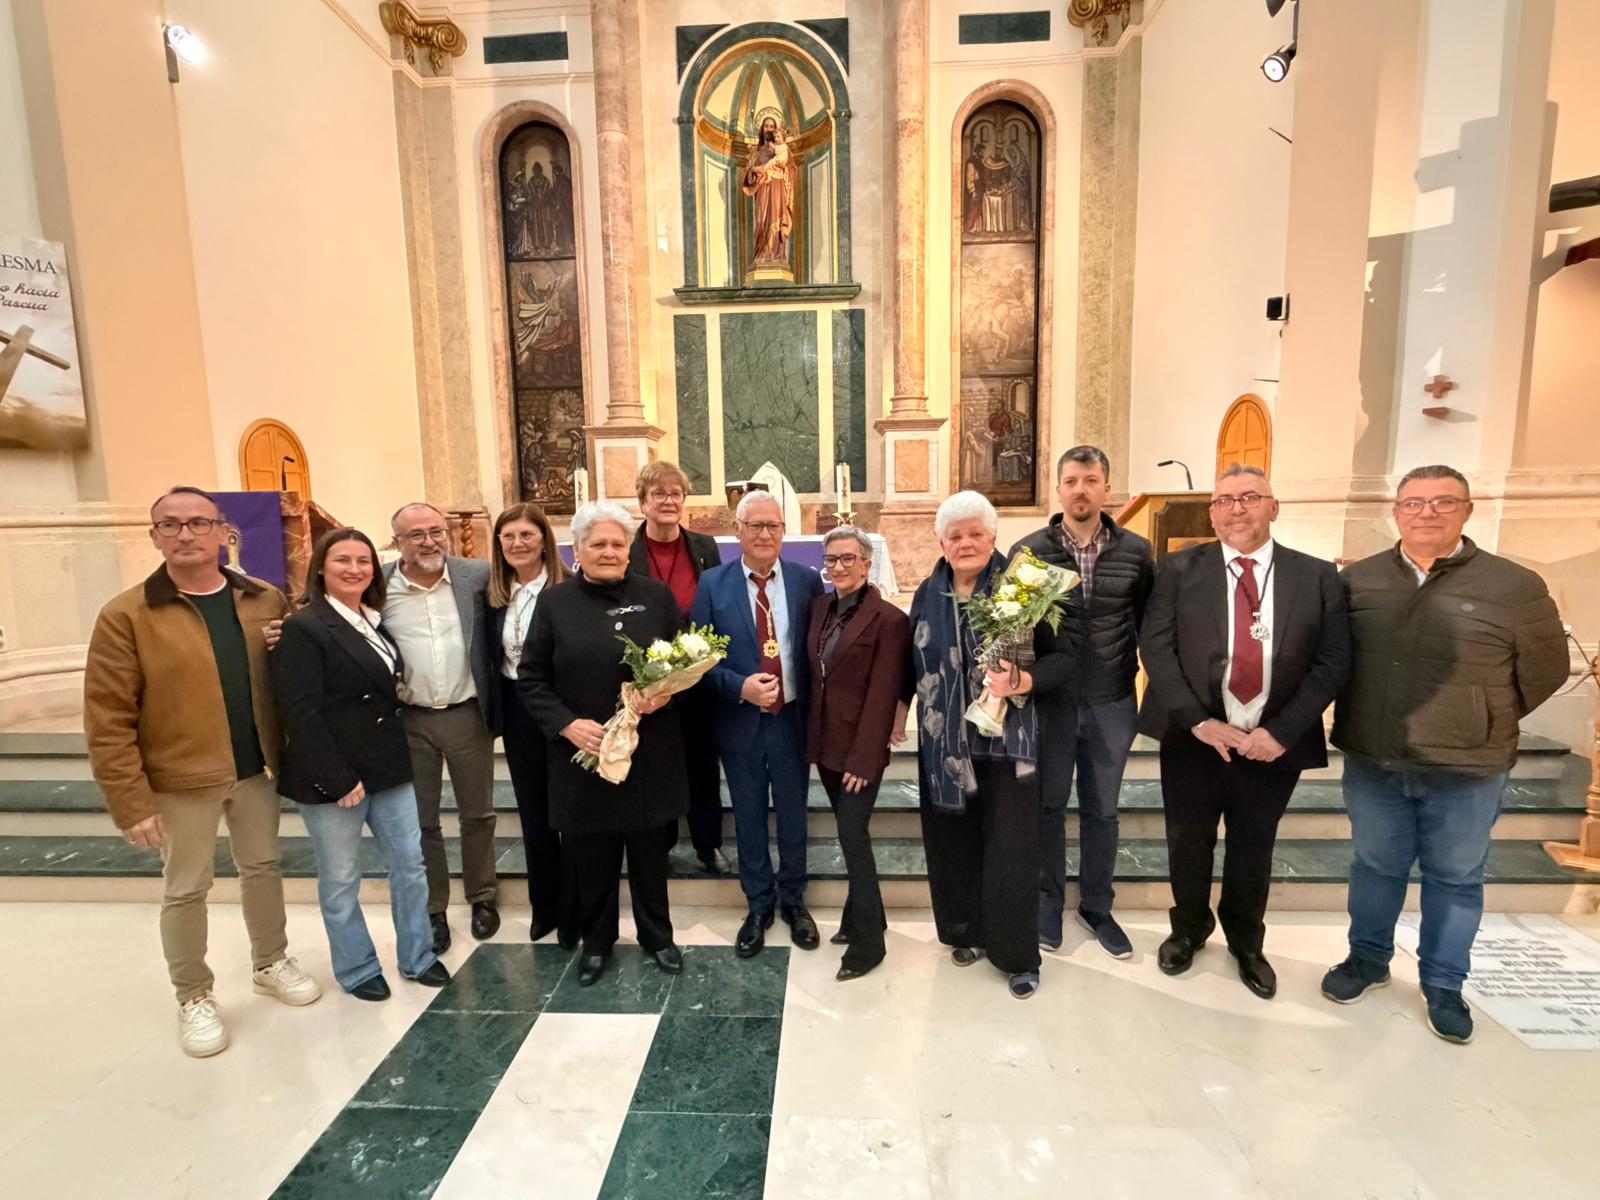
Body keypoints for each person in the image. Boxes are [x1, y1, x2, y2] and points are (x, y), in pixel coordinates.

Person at [1322, 465, 1567, 1043]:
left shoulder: (1513, 585)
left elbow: (1547, 669)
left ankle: (1444, 983)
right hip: (1376, 756)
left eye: (1442, 502)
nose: (1426, 512)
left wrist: (1481, 716)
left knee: (1455, 877)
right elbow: (1333, 660)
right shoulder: (1359, 581)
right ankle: (1368, 958)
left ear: (1467, 510)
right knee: (1375, 866)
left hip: (1467, 766)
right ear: (1396, 512)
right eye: (1413, 503)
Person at [83, 486, 321, 1057]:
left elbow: (290, 676)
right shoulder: (126, 615)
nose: (185, 534)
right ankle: (193, 993)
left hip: (255, 768)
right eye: (170, 524)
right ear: (154, 536)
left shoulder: (263, 598)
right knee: (187, 887)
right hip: (180, 777)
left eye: (198, 522)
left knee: (262, 867)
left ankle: (270, 961)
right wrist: (131, 801)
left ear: (223, 533)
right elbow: (108, 717)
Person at [1139, 465, 1350, 999]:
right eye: (1224, 500)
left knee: (1254, 845)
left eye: (1250, 497)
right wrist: (1198, 720)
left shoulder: (1316, 576)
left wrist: (1282, 732)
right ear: (1212, 513)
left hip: (1271, 743)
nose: (1236, 509)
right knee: (1188, 841)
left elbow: (1332, 661)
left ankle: (1246, 942)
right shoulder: (1178, 569)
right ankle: (1188, 929)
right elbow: (1156, 649)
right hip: (1194, 738)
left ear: (1273, 507)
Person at [270, 528, 450, 1000]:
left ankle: (418, 955)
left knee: (410, 865)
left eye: (363, 561)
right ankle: (357, 967)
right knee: (341, 878)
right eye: (342, 560)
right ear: (321, 569)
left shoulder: (372, 619)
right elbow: (300, 712)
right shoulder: (305, 627)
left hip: (388, 767)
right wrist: (338, 778)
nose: (354, 569)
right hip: (334, 775)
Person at [911, 490, 1074, 1000]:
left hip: (1008, 745)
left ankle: (1017, 955)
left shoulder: (1025, 584)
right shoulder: (927, 592)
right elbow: (909, 660)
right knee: (953, 843)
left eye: (975, 534)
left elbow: (1065, 658)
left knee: (1010, 852)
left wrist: (1021, 680)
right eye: (955, 536)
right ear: (941, 543)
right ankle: (966, 931)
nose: (965, 543)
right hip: (944, 745)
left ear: (993, 537)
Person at [518, 501, 689, 987]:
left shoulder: (655, 596)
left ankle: (657, 936)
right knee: (591, 856)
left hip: (648, 752)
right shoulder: (554, 604)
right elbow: (531, 678)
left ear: (628, 549)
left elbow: (684, 662)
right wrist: (567, 725)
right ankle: (597, 942)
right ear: (577, 549)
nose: (609, 552)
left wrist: (665, 695)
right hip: (585, 756)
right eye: (598, 544)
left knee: (650, 854)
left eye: (617, 543)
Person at [1010, 445, 1153, 958]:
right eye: (1071, 481)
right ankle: (1048, 901)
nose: (1080, 490)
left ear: (1106, 488)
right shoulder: (1030, 551)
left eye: (1090, 480)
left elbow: (1148, 625)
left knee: (1102, 810)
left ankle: (1097, 906)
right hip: (1052, 703)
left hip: (1112, 701)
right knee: (1048, 807)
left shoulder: (1137, 552)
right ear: (1058, 489)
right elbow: (1014, 630)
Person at [692, 490, 825, 958]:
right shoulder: (713, 584)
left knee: (793, 815)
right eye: (755, 525)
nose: (765, 534)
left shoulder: (807, 581)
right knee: (748, 817)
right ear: (738, 531)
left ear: (784, 531)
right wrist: (739, 687)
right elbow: (697, 658)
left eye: (773, 525)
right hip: (740, 721)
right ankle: (759, 905)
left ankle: (794, 901)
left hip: (791, 720)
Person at [383, 502, 499, 953]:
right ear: (397, 542)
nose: (429, 541)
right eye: (416, 535)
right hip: (409, 719)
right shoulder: (378, 585)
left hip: (467, 714)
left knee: (478, 813)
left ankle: (482, 897)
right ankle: (434, 908)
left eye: (436, 531)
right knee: (422, 820)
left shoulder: (476, 575)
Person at [804, 526, 911, 981]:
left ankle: (868, 947)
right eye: (831, 559)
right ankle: (861, 919)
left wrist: (865, 758)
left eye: (848, 558)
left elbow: (884, 691)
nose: (839, 567)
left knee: (853, 838)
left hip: (859, 753)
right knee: (852, 834)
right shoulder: (821, 607)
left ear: (867, 564)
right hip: (826, 744)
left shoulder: (889, 620)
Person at [627, 461, 731, 876]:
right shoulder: (628, 550)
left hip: (698, 675)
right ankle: (662, 843)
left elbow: (716, 601)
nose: (669, 501)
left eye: (676, 493)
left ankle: (709, 843)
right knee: (656, 763)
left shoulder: (704, 547)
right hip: (649, 678)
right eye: (659, 494)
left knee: (703, 762)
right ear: (643, 503)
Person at [486, 502, 578, 946]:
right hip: (518, 712)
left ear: (544, 540)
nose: (518, 543)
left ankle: (576, 908)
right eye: (508, 536)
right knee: (534, 812)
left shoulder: (571, 589)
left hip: (565, 711)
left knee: (571, 811)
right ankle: (545, 906)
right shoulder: (492, 596)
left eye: (527, 534)